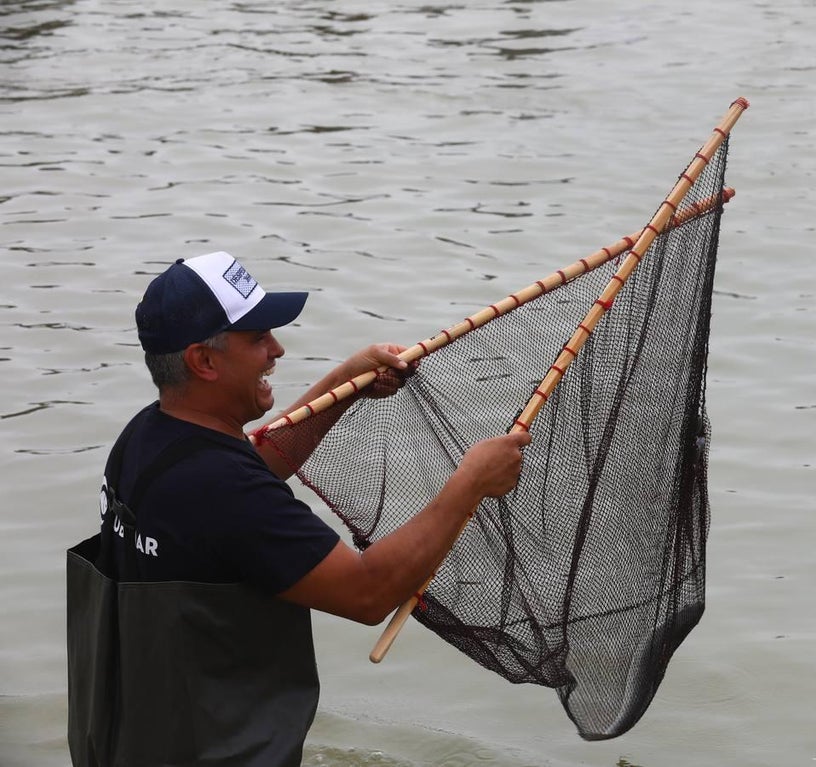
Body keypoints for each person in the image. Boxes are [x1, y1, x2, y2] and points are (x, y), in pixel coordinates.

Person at [66, 251, 531, 767]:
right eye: (257, 338)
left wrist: (347, 383)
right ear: (204, 361)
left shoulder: (148, 436)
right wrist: (469, 484)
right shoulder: (224, 490)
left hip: (133, 740)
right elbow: (367, 593)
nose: (277, 349)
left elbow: (247, 473)